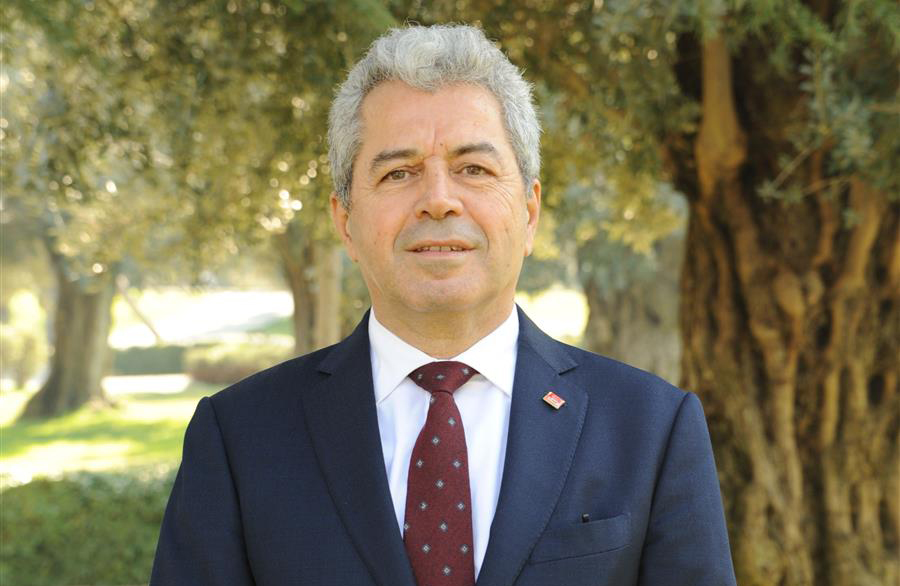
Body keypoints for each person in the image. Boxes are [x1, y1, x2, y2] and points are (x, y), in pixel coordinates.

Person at [150, 24, 737, 586]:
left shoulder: (652, 430)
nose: (438, 199)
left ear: (529, 213)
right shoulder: (239, 439)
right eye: (398, 172)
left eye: (473, 169)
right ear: (345, 221)